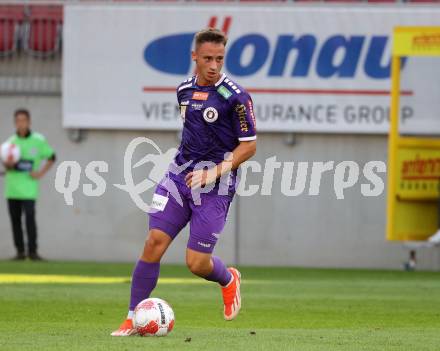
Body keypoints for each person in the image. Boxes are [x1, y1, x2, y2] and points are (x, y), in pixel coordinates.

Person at [111, 28, 257, 336]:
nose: (214, 65)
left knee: (196, 263)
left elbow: (249, 146)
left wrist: (213, 171)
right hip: (178, 176)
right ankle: (132, 317)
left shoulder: (237, 97)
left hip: (215, 185)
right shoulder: (184, 90)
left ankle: (228, 279)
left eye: (219, 58)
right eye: (207, 58)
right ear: (195, 57)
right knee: (154, 243)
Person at [2, 109, 56, 260]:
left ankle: (32, 251)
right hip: (12, 188)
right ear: (15, 123)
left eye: (24, 120)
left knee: (30, 218)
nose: (21, 123)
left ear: (29, 121)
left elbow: (52, 157)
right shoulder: (10, 143)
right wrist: (8, 165)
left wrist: (40, 173)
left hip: (29, 188)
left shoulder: (38, 140)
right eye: (18, 120)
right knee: (15, 220)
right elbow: (6, 165)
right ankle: (20, 251)